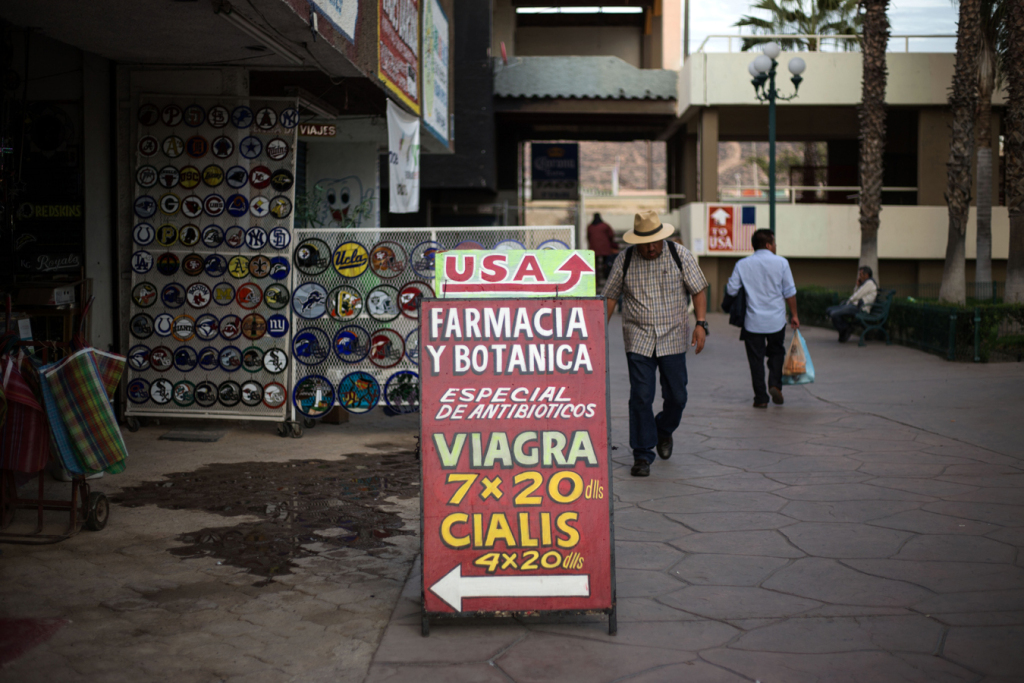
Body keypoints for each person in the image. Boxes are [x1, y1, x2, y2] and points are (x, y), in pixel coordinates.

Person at [603, 210, 709, 478]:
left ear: (663, 237)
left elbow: (698, 288)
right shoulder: (625, 259)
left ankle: (663, 429)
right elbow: (611, 297)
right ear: (636, 241)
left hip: (673, 337)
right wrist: (597, 333)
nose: (651, 248)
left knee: (677, 396)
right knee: (640, 396)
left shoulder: (679, 254)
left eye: (655, 241)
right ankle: (642, 454)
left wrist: (701, 323)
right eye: (645, 243)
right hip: (638, 338)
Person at [725, 229, 800, 409]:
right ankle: (775, 384)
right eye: (774, 243)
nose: (775, 246)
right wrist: (794, 315)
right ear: (768, 244)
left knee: (755, 360)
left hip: (753, 322)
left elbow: (731, 290)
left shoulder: (742, 264)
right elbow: (789, 292)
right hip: (776, 321)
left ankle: (760, 398)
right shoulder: (782, 263)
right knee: (776, 353)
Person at [826, 266, 878, 343]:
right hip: (853, 306)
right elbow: (856, 293)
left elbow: (857, 295)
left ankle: (845, 329)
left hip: (860, 308)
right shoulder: (865, 283)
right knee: (829, 310)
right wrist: (857, 285)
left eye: (861, 275)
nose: (859, 277)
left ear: (866, 275)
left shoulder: (869, 283)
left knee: (834, 314)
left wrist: (848, 302)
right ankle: (845, 328)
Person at [587, 213, 619, 281]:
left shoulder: (590, 227)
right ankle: (607, 277)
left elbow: (588, 237)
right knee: (606, 263)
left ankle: (596, 280)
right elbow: (611, 235)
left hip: (594, 248)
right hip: (605, 248)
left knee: (594, 265)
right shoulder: (605, 225)